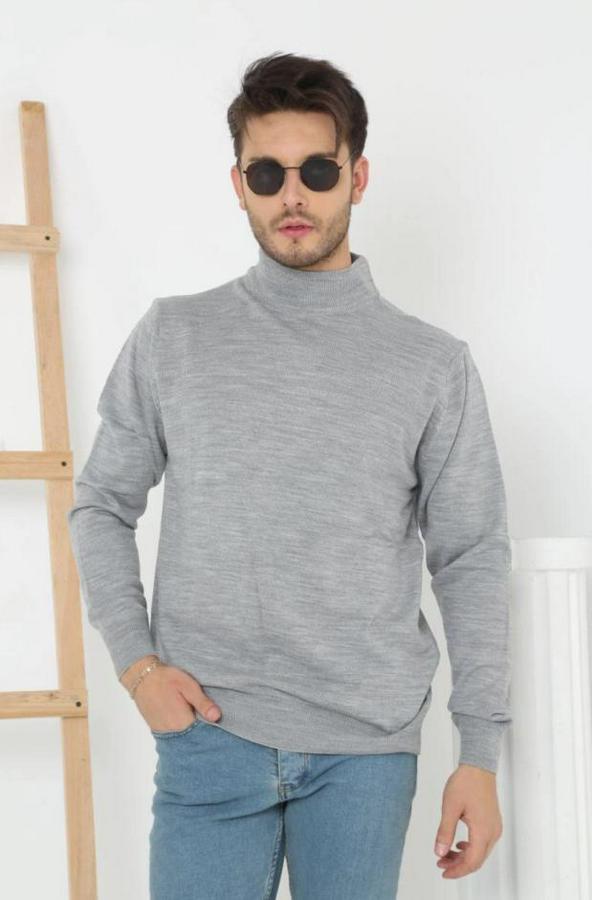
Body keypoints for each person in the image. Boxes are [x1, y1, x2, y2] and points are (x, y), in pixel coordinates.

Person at [67, 51, 512, 899]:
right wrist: (138, 668)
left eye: (318, 170)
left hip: (366, 753)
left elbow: (472, 556)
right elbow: (101, 504)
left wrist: (479, 755)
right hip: (208, 735)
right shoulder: (174, 337)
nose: (293, 196)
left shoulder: (432, 364)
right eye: (267, 174)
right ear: (239, 184)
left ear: (358, 177)